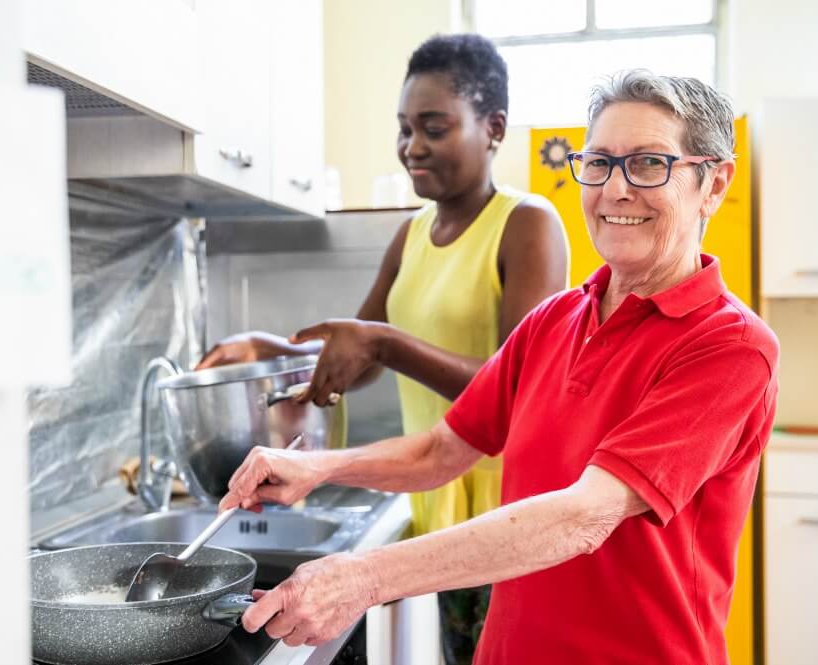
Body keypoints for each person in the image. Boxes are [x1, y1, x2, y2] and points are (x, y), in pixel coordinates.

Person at [219, 69, 780, 665]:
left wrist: (362, 579)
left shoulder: (730, 346)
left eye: (648, 164)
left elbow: (583, 519)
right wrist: (316, 467)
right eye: (599, 163)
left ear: (713, 185)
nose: (616, 189)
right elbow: (444, 449)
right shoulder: (554, 320)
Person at [197, 33, 569, 664]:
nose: (412, 148)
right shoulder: (411, 234)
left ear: (494, 127)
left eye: (434, 127)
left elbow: (520, 388)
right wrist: (260, 348)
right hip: (429, 484)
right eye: (404, 129)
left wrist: (386, 343)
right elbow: (359, 353)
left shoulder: (527, 223)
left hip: (505, 500)